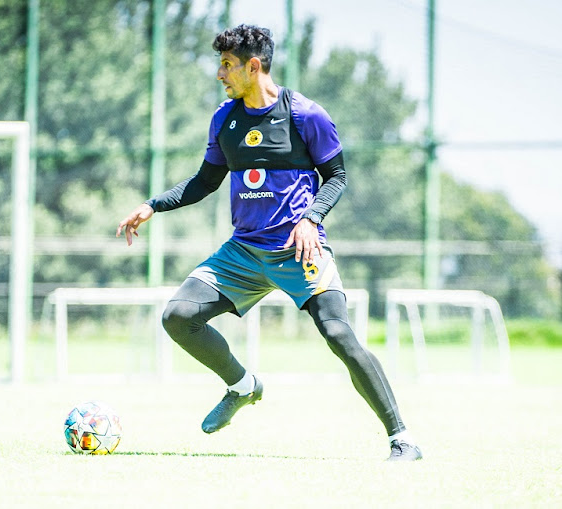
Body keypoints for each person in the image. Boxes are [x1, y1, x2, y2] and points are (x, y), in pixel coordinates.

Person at [116, 24, 422, 461]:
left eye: (227, 65)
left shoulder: (306, 114)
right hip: (243, 251)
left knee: (338, 333)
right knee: (178, 316)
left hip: (298, 251)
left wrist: (312, 220)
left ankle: (403, 439)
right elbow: (206, 181)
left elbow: (337, 177)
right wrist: (153, 205)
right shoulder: (225, 118)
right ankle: (243, 386)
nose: (220, 73)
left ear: (253, 65)